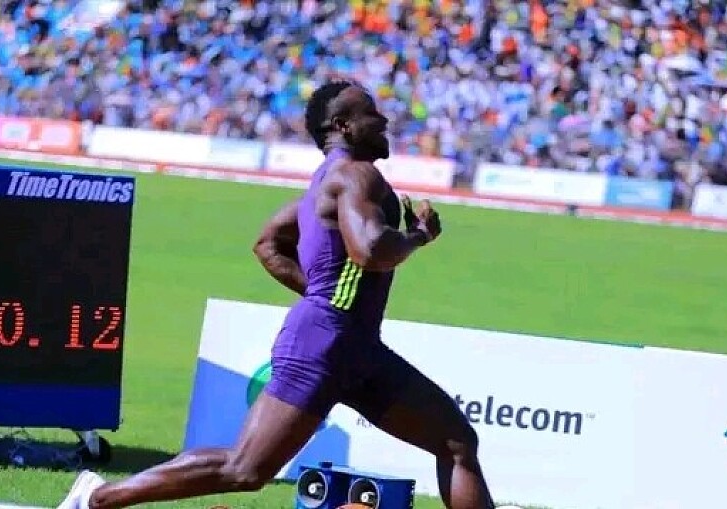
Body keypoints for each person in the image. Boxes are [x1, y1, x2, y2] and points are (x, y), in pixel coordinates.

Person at [57, 80, 496, 509]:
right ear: (342, 125)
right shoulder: (355, 175)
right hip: (326, 344)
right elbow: (371, 250)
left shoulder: (327, 181)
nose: (383, 120)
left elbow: (268, 243)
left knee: (456, 442)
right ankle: (96, 497)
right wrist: (418, 236)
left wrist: (324, 295)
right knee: (244, 469)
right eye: (370, 112)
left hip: (355, 346)